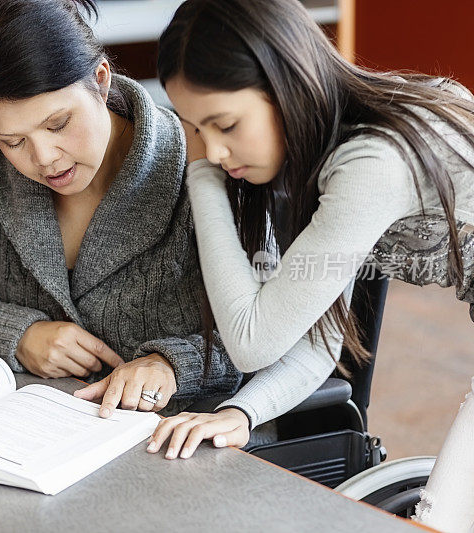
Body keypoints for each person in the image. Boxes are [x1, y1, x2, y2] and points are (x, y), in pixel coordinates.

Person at [147, 0, 474, 528]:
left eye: (224, 125)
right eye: (196, 130)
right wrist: (242, 413)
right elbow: (319, 339)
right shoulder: (328, 155)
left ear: (286, 84)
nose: (213, 150)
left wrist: (201, 179)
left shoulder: (372, 164)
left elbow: (252, 338)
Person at [0, 0, 243, 417]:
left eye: (58, 124)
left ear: (100, 80)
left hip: (192, 436)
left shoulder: (208, 161)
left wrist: (172, 364)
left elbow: (278, 331)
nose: (44, 158)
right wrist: (21, 336)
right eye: (13, 141)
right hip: (43, 430)